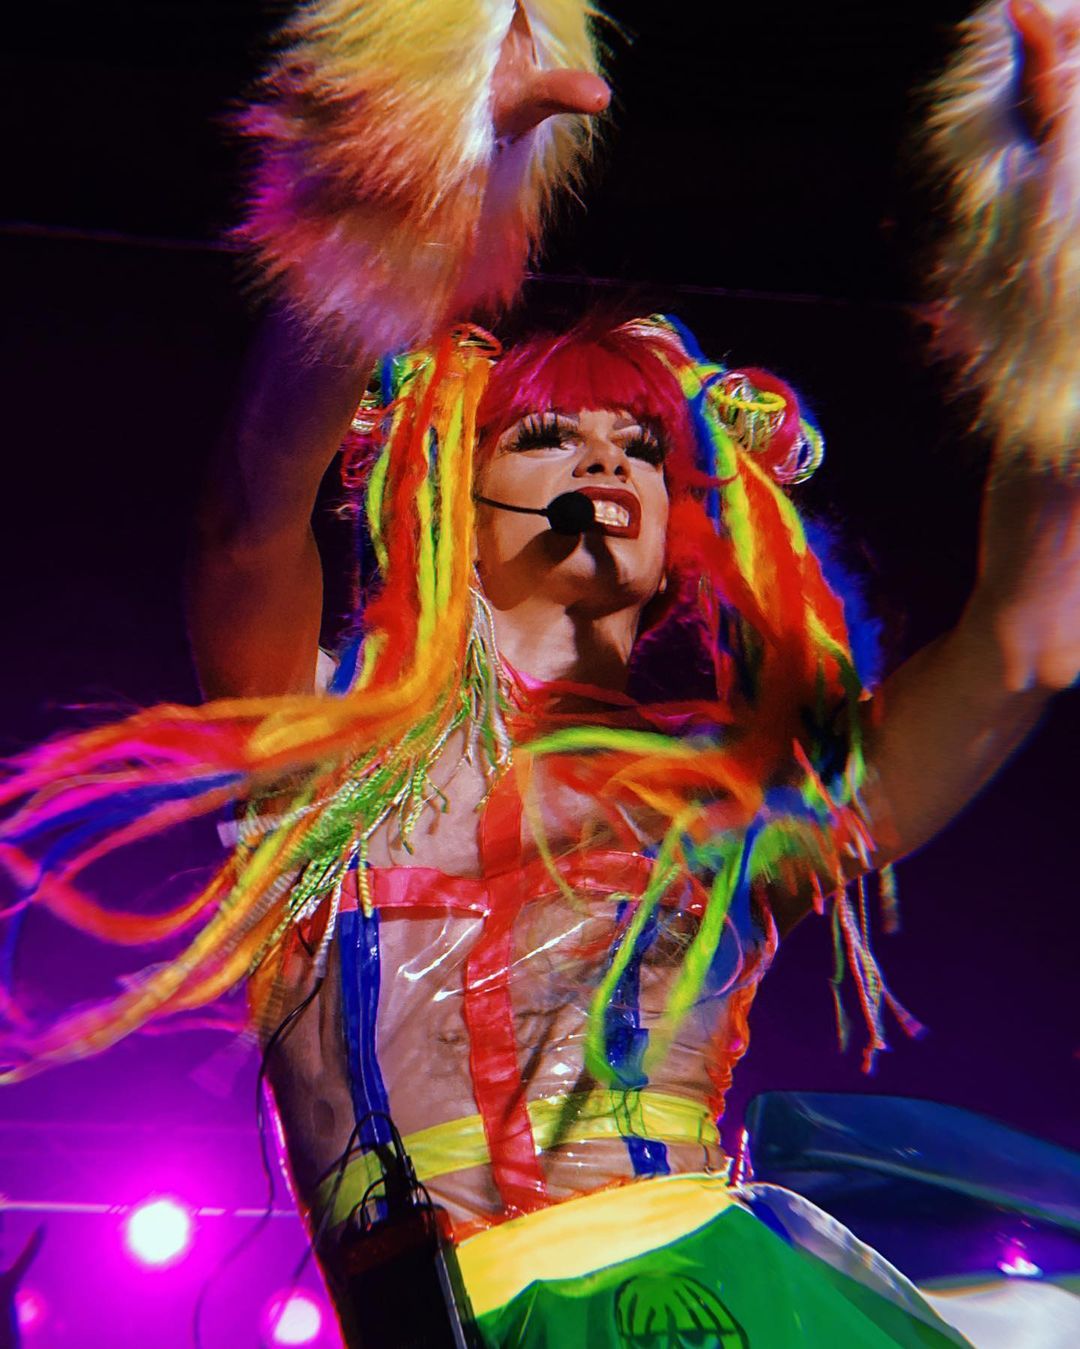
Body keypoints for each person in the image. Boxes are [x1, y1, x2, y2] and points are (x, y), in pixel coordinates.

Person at [1, 1, 1077, 1346]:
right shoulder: (325, 746)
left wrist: (1055, 237)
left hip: (725, 1303)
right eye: (547, 435)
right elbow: (247, 516)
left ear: (678, 523)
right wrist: (428, 172)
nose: (603, 460)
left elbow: (1030, 634)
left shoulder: (732, 805)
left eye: (638, 444)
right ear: (448, 492)